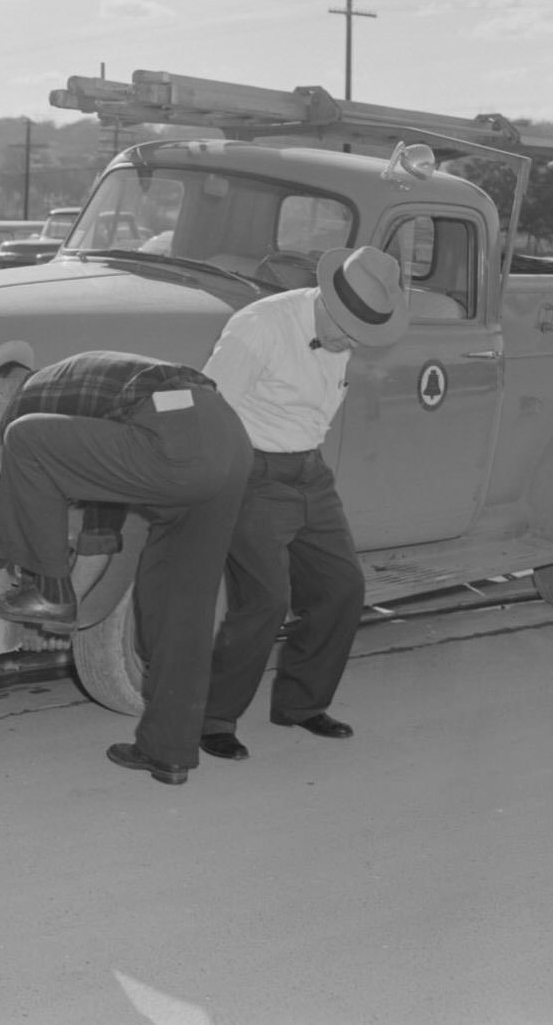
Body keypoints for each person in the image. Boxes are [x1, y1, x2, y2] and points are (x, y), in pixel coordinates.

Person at [0, 350, 252, 786]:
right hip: (229, 441)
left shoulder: (32, 396)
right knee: (177, 605)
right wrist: (67, 610)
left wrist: (46, 591)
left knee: (21, 438)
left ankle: (45, 588)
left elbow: (24, 447)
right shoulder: (90, 409)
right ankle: (167, 752)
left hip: (175, 433)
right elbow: (101, 534)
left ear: (1, 390)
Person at [198, 246, 409, 762]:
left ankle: (301, 704)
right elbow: (211, 411)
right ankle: (213, 717)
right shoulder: (259, 328)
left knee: (343, 588)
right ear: (326, 296)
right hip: (253, 472)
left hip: (308, 470)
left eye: (360, 337)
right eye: (344, 330)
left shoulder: (345, 328)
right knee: (266, 599)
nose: (348, 343)